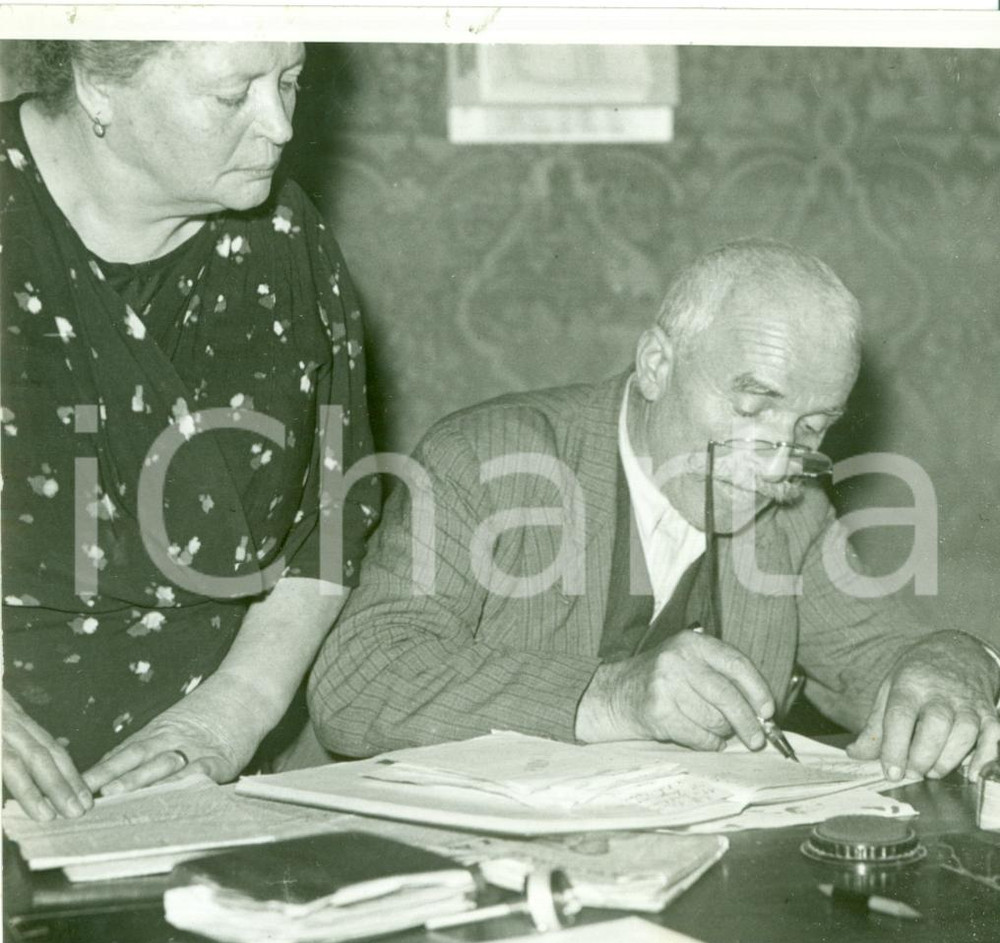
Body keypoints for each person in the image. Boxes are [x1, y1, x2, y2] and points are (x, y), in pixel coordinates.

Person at [308, 239, 1000, 783]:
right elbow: (357, 680)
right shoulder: (490, 459)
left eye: (812, 428)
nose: (777, 463)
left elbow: (880, 662)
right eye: (752, 407)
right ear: (657, 364)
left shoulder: (792, 511)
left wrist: (956, 663)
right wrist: (610, 696)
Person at [1, 41, 380, 821]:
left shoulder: (283, 235)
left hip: (194, 783)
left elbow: (331, 521)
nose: (279, 125)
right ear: (97, 85)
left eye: (290, 82)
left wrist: (229, 714)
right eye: (233, 94)